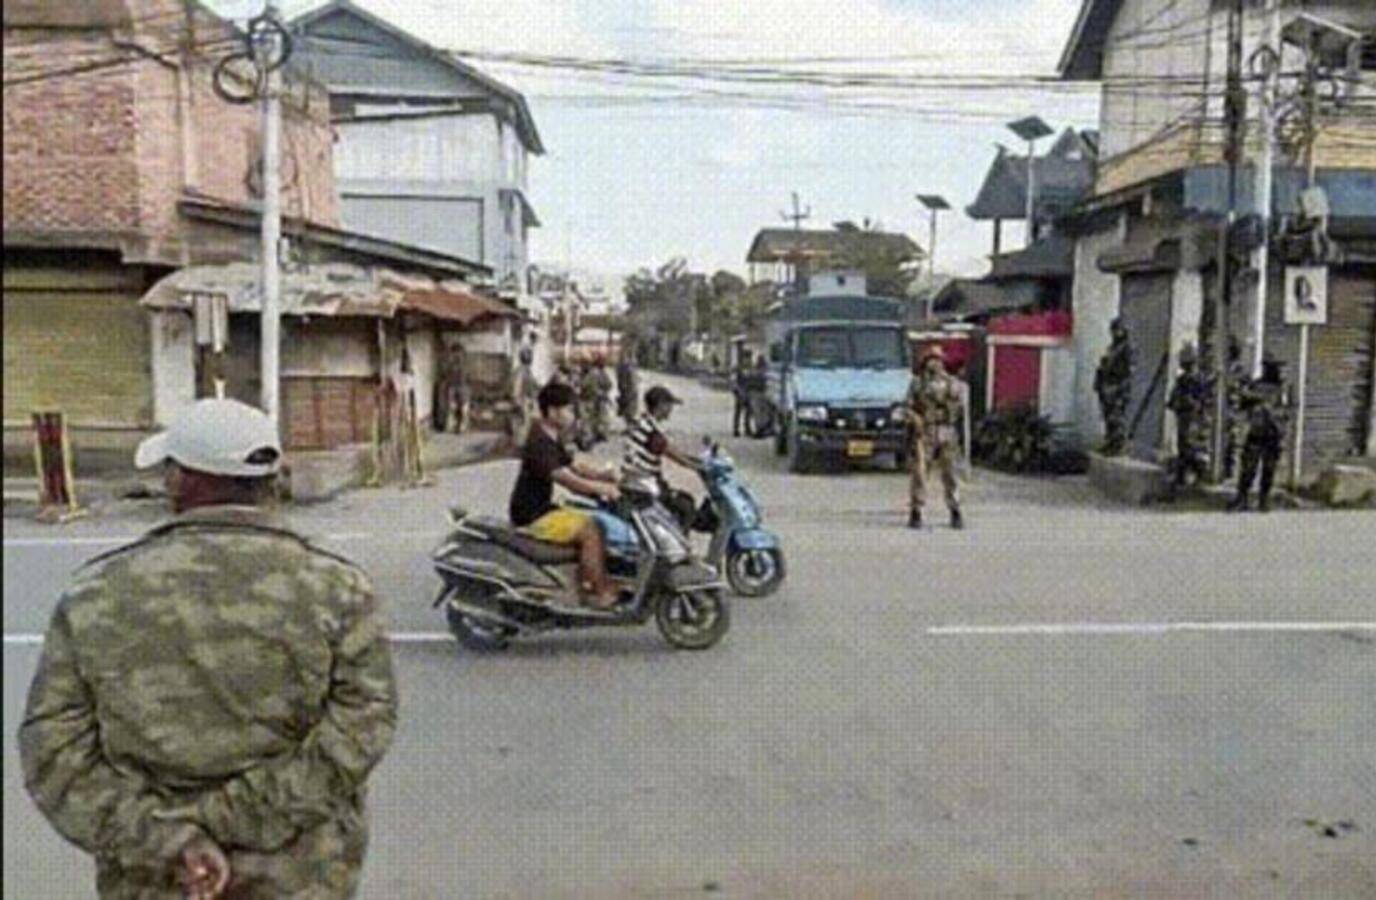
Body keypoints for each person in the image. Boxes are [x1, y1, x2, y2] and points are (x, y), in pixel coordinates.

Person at [19, 398, 398, 899]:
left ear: (182, 481)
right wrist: (236, 816)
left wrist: (171, 839)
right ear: (270, 482)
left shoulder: (98, 592)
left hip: (155, 878)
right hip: (302, 874)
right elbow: (363, 727)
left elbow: (54, 748)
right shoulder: (338, 589)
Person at [509, 383, 623, 607]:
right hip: (532, 515)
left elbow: (575, 466)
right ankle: (597, 592)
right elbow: (566, 479)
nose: (573, 415)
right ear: (553, 412)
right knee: (590, 528)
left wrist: (605, 475)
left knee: (595, 519)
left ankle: (586, 580)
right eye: (569, 409)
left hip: (544, 508)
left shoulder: (551, 437)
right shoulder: (540, 443)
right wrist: (601, 489)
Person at [905, 344, 965, 530]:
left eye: (938, 360)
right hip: (925, 432)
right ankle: (916, 511)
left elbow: (960, 408)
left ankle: (955, 510)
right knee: (920, 473)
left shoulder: (952, 383)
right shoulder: (917, 383)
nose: (935, 364)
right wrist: (915, 419)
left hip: (947, 431)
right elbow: (908, 407)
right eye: (931, 359)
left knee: (951, 473)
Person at [624, 385, 701, 530]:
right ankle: (676, 543)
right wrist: (696, 467)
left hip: (637, 480)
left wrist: (695, 460)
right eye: (669, 405)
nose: (671, 409)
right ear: (661, 405)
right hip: (644, 483)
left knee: (683, 501)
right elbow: (670, 452)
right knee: (685, 506)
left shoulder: (643, 422)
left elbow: (670, 449)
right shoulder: (650, 429)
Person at [1228, 358, 1290, 513]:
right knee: (1248, 468)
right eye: (1274, 368)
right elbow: (1243, 404)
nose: (1278, 372)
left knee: (1269, 469)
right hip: (1257, 431)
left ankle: (1264, 499)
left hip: (1274, 433)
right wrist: (1247, 394)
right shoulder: (1256, 386)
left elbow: (1288, 410)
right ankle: (1242, 498)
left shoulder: (1283, 389)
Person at [1166, 342, 1211, 489]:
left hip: (1193, 417)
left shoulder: (1197, 379)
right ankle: (1182, 476)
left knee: (1191, 447)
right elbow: (1175, 396)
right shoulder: (1183, 379)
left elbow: (1202, 399)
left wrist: (1194, 405)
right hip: (1184, 415)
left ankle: (1198, 474)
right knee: (1183, 446)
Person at [1094, 318, 1133, 456]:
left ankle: (1118, 445)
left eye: (1117, 330)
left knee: (1116, 417)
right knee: (1108, 417)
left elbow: (1129, 372)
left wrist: (1120, 388)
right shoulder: (1113, 347)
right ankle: (1110, 442)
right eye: (1114, 330)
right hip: (1108, 386)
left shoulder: (1126, 348)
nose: (1115, 333)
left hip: (1118, 387)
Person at [731, 355, 755, 438]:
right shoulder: (738, 369)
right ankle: (736, 429)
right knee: (738, 412)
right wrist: (737, 392)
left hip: (747, 393)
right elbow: (734, 382)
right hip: (739, 393)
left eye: (748, 359)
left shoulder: (751, 368)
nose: (747, 361)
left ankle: (747, 429)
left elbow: (751, 381)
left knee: (748, 412)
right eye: (746, 359)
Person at [616, 355, 639, 423]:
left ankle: (630, 417)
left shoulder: (631, 369)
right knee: (627, 406)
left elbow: (633, 380)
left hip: (632, 390)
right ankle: (628, 418)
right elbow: (623, 381)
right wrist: (624, 389)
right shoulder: (626, 369)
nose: (635, 362)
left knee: (631, 405)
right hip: (628, 390)